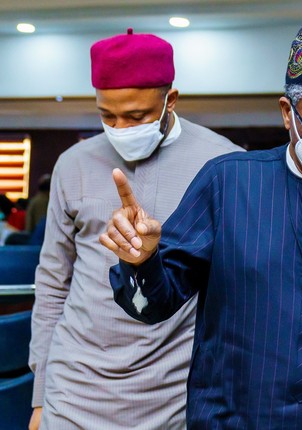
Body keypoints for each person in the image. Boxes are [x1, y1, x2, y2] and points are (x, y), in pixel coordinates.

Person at [101, 17, 302, 428]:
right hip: (233, 417)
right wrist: (142, 262)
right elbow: (154, 304)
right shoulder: (227, 182)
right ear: (288, 113)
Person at [28, 29, 243, 430]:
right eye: (107, 115)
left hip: (173, 395)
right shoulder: (72, 164)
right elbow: (54, 283)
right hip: (73, 390)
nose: (121, 127)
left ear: (170, 100)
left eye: (138, 116)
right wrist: (41, 394)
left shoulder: (226, 164)